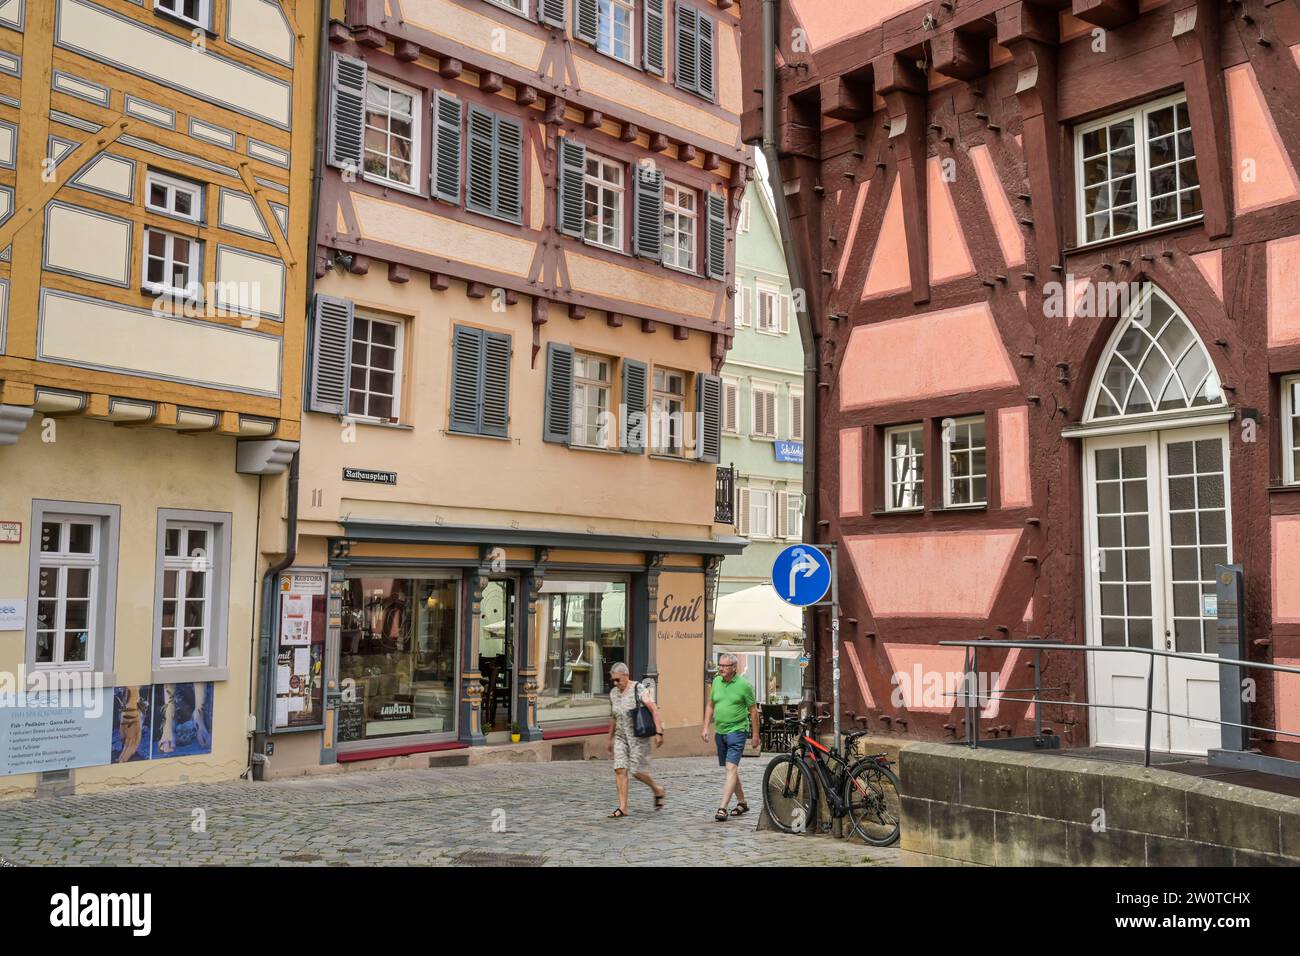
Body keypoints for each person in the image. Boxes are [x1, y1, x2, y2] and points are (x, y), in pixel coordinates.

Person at [701, 653, 759, 821]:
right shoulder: (717, 682)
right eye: (720, 665)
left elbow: (753, 711)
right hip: (720, 732)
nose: (721, 668)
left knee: (730, 768)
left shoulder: (744, 686)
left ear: (734, 668)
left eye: (725, 666)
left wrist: (755, 735)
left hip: (738, 731)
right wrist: (705, 726)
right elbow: (710, 705)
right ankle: (742, 802)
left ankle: (722, 808)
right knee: (730, 769)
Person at [604, 662, 666, 817]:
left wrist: (659, 732)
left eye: (618, 680)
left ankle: (657, 789)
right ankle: (622, 807)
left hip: (638, 736)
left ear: (626, 675)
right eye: (613, 680)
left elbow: (653, 708)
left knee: (637, 771)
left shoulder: (638, 688)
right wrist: (609, 738)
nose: (615, 683)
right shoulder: (613, 693)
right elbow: (613, 716)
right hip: (620, 736)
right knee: (620, 769)